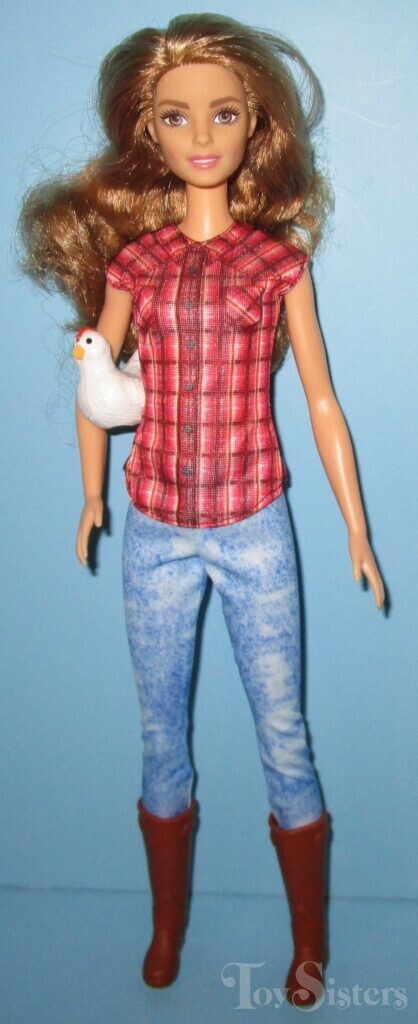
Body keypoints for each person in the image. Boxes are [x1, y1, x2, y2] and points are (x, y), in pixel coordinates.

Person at [18, 13, 385, 1006]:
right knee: (159, 738)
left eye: (223, 113)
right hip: (154, 528)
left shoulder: (277, 262)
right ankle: (167, 927)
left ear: (254, 123)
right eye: (178, 117)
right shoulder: (135, 265)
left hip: (255, 522)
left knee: (284, 736)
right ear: (150, 131)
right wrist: (91, 493)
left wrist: (354, 527)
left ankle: (307, 947)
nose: (203, 134)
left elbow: (320, 396)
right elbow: (97, 381)